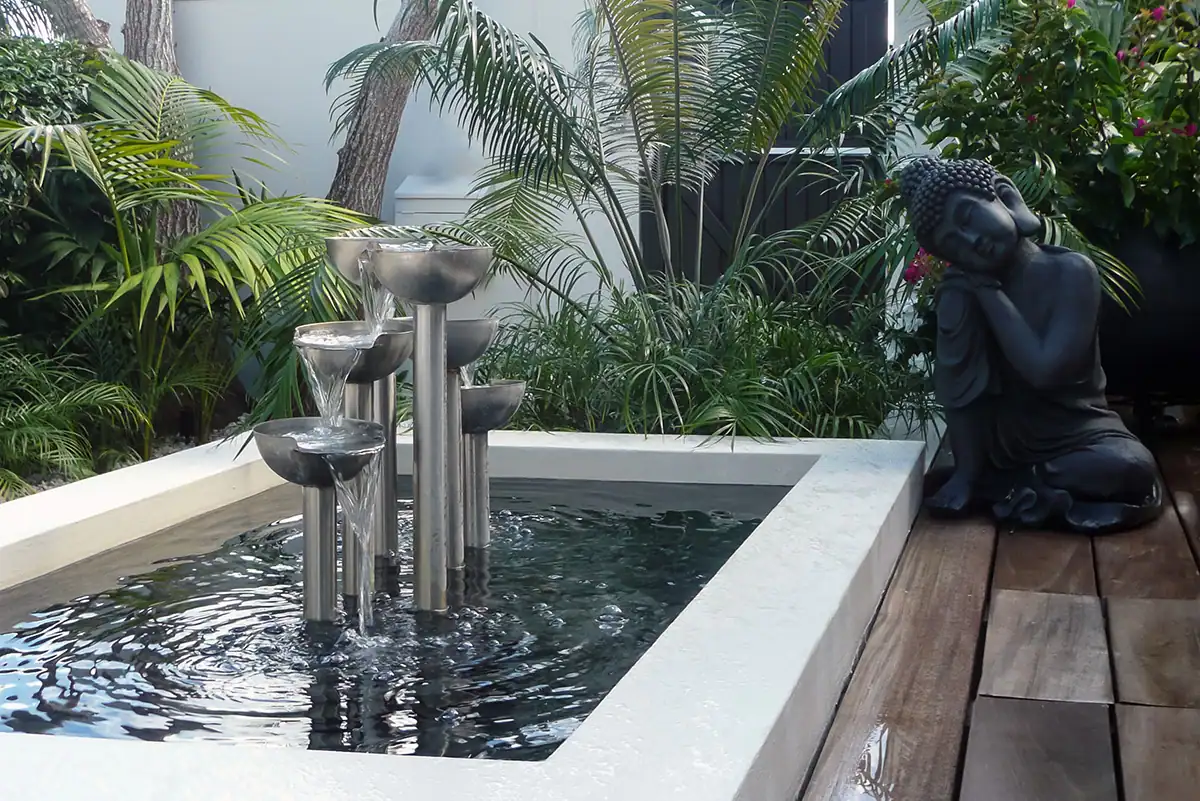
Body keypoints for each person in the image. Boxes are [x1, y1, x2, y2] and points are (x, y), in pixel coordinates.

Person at [899, 156, 1163, 533]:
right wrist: (968, 472)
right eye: (953, 244)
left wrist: (988, 291)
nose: (972, 242)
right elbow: (959, 393)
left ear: (1005, 198)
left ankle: (1017, 487)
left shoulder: (1071, 272)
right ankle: (1004, 483)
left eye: (969, 219)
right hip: (1001, 444)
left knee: (1132, 467)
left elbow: (1045, 371)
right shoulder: (960, 295)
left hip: (1080, 433)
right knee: (962, 475)